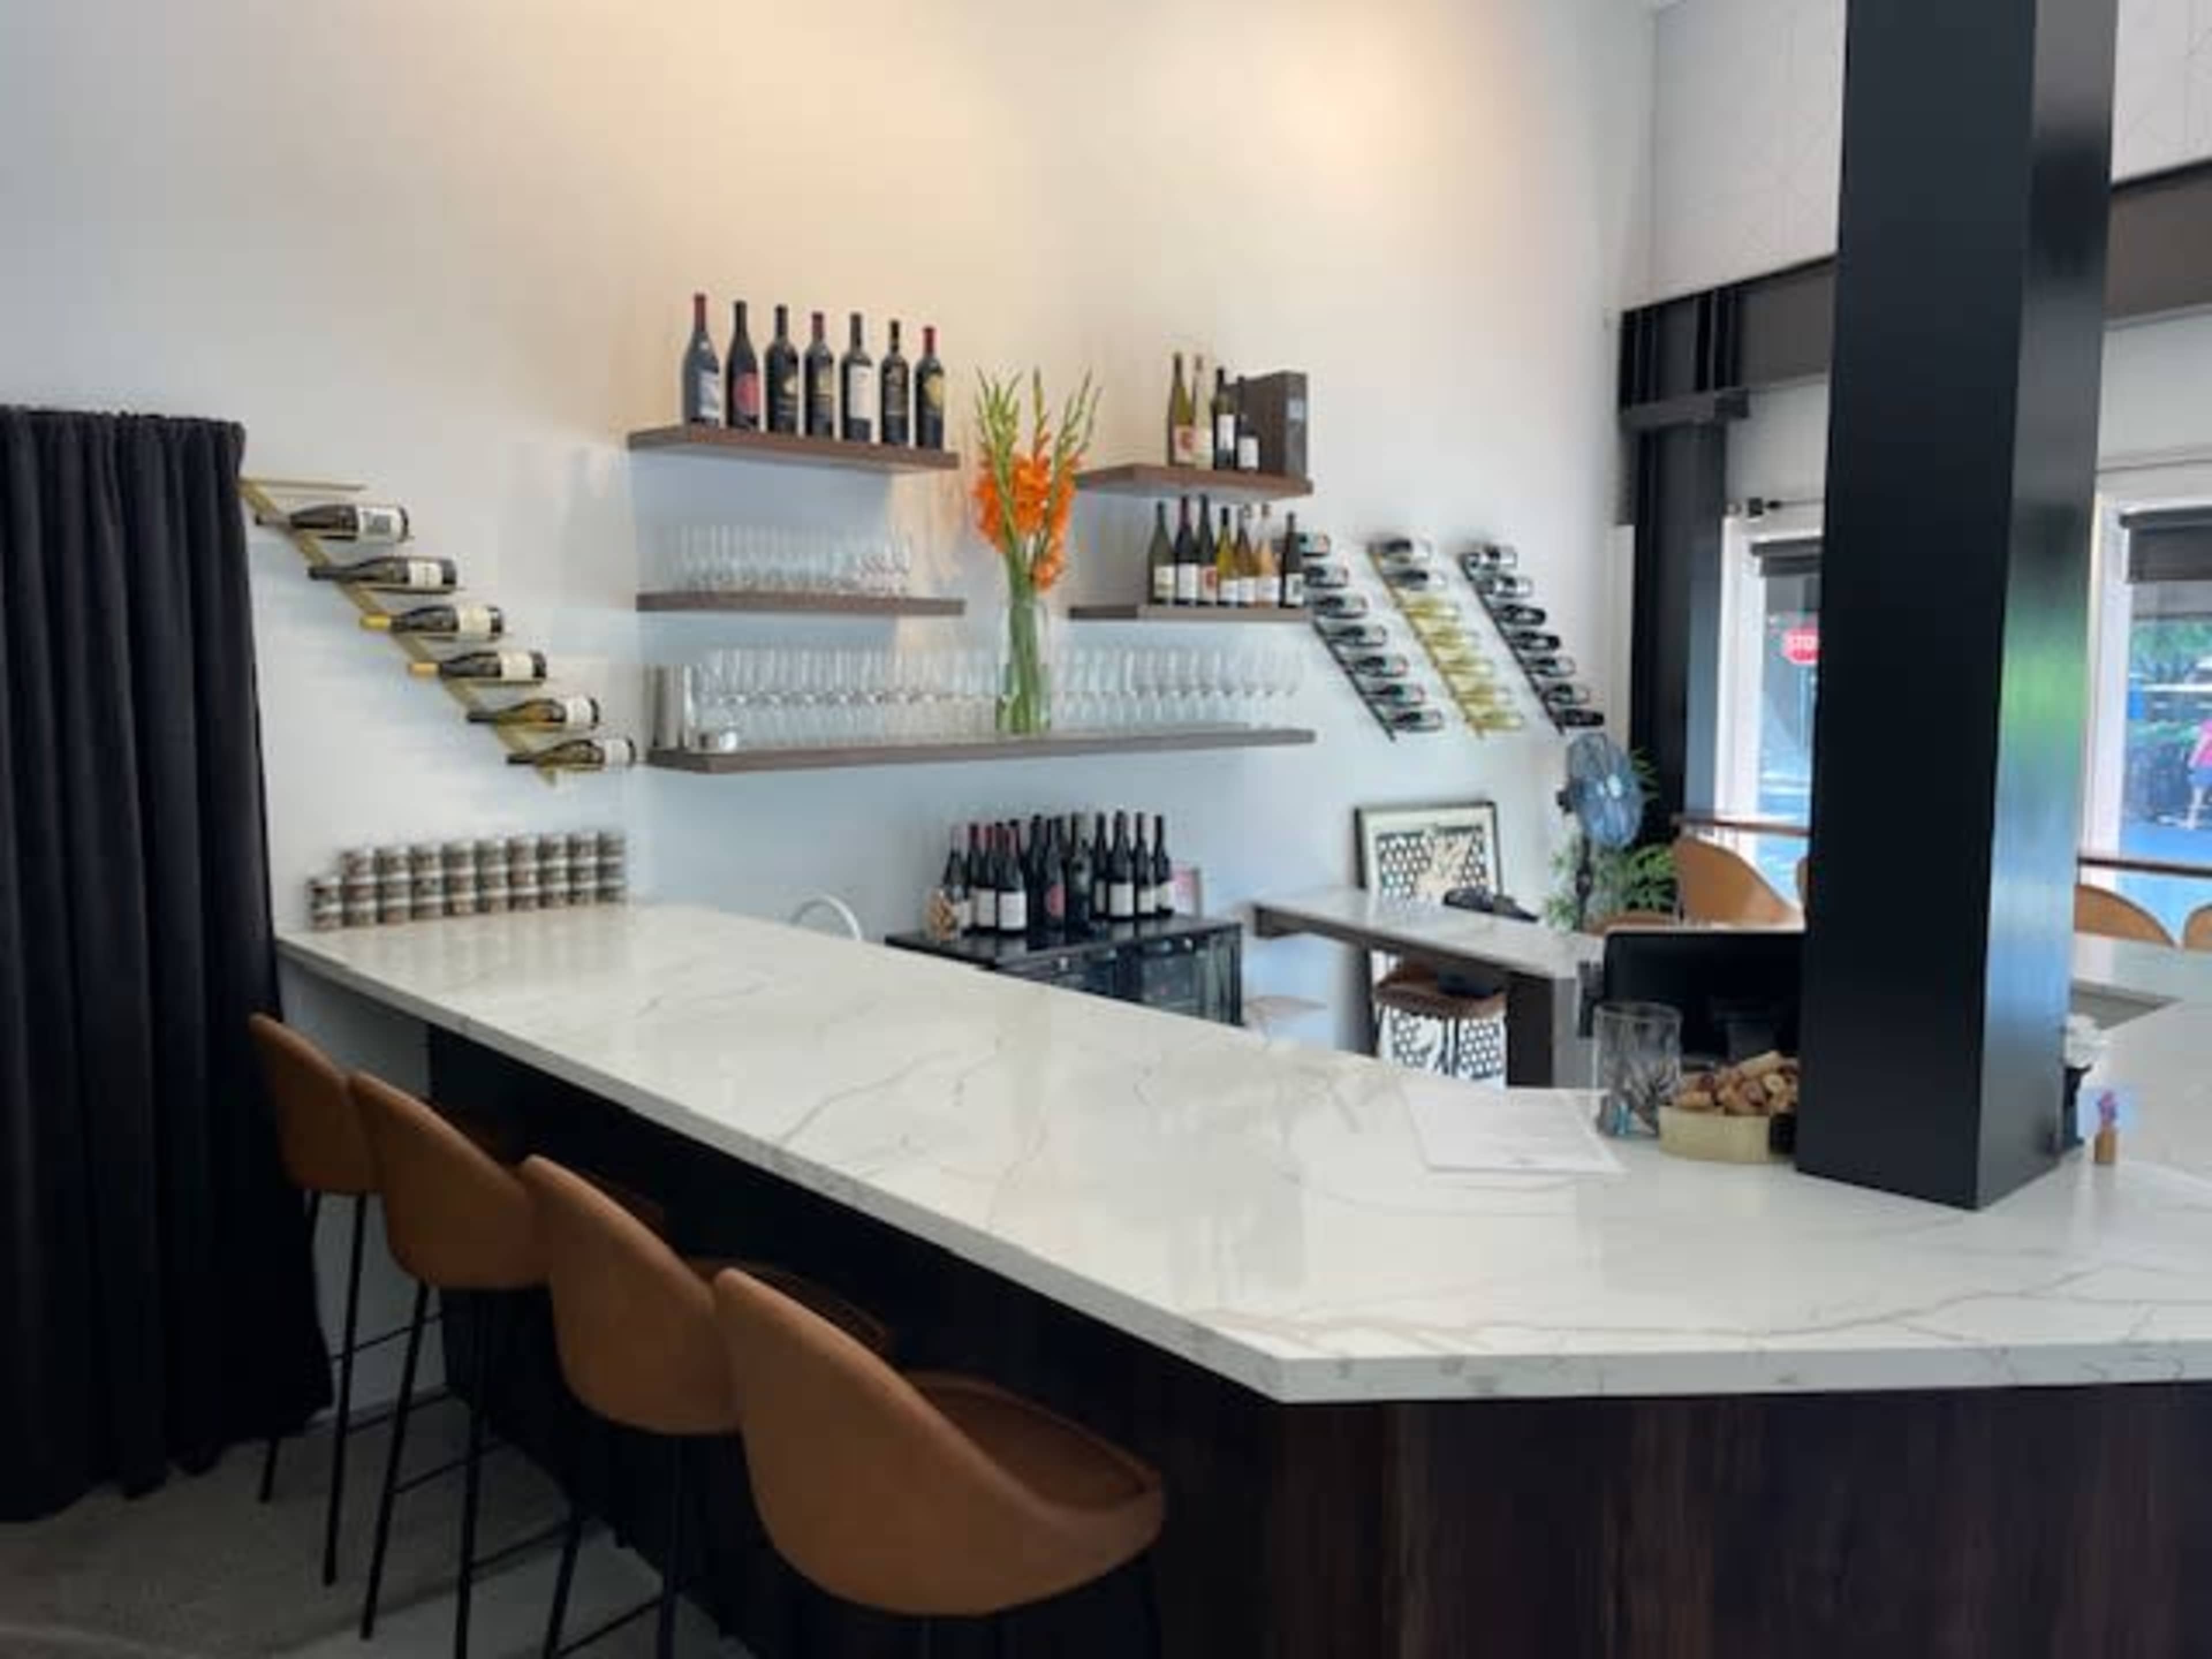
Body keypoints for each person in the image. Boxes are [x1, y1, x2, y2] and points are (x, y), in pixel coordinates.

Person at [2190, 715, 2212, 832]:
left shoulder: (2210, 724)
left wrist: (2193, 760)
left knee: (2198, 793)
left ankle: (2192, 821)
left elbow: (2203, 743)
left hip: (2206, 763)